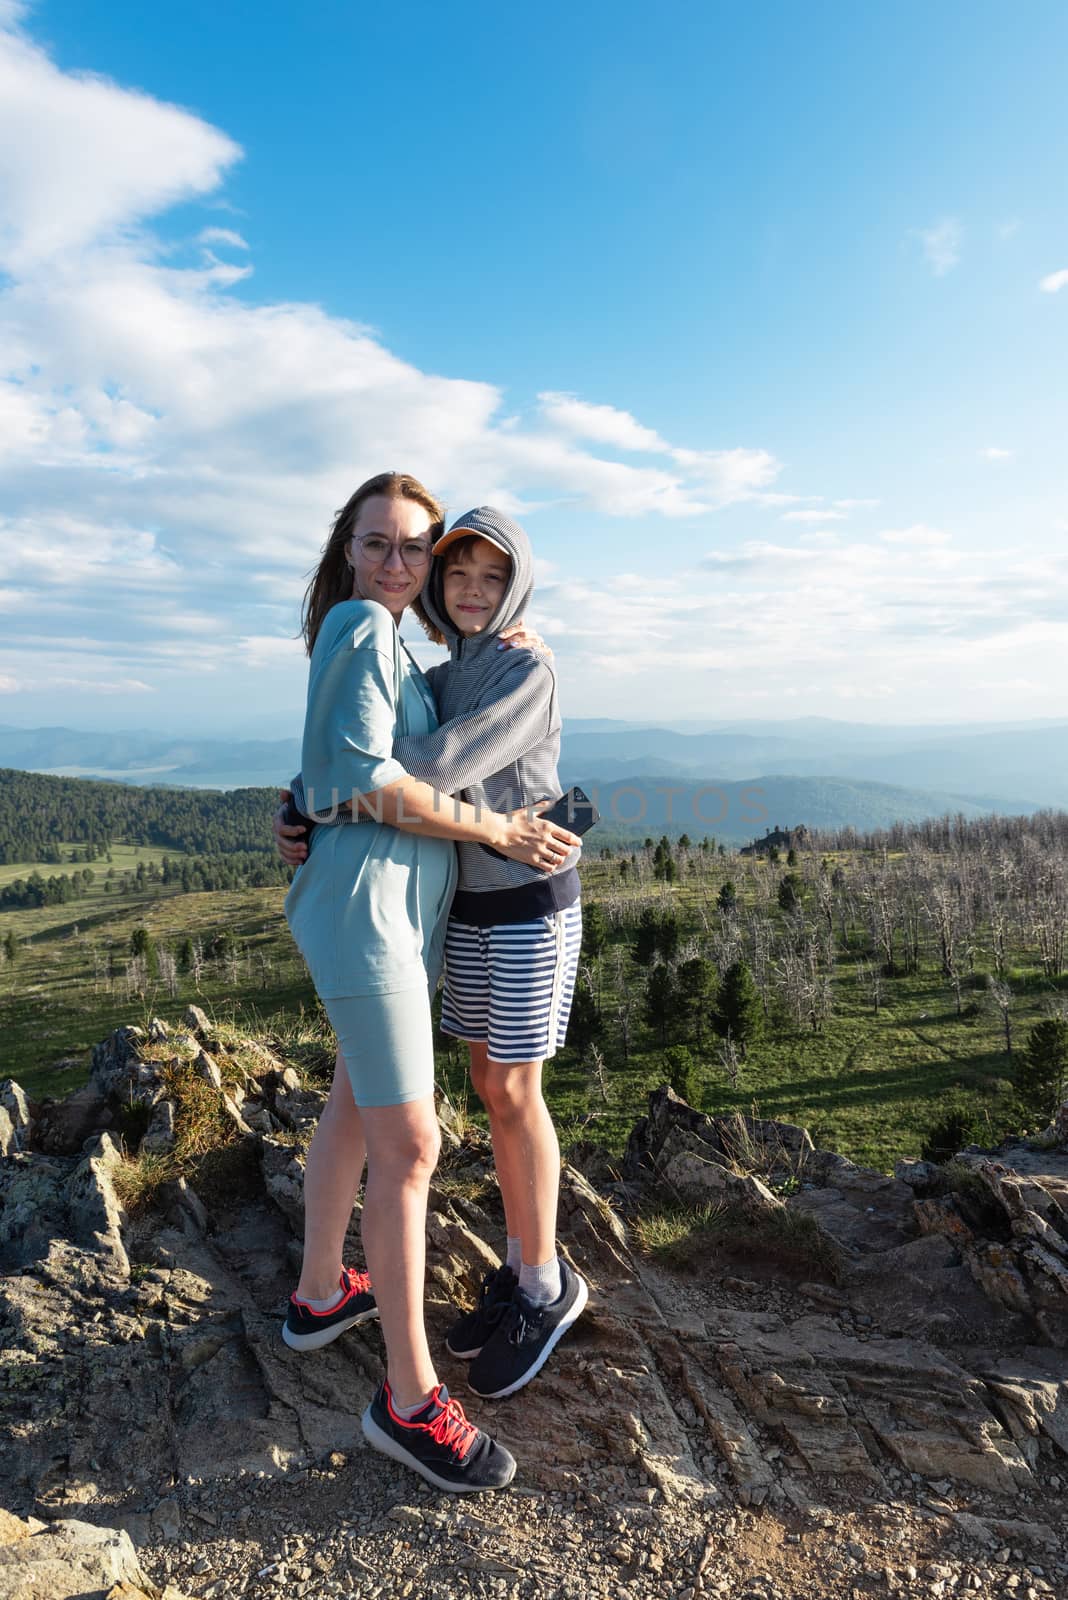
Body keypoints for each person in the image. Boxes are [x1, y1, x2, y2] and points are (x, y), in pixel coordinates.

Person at [282, 471, 579, 1494]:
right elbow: (366, 774)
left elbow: (346, 761)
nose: (398, 562)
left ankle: (321, 1294)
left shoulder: (414, 650)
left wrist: (309, 800)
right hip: (371, 920)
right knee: (414, 1144)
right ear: (349, 551)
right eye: (380, 543)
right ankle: (408, 1400)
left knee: (356, 1110)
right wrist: (492, 826)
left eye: (415, 545)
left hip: (388, 917)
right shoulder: (367, 627)